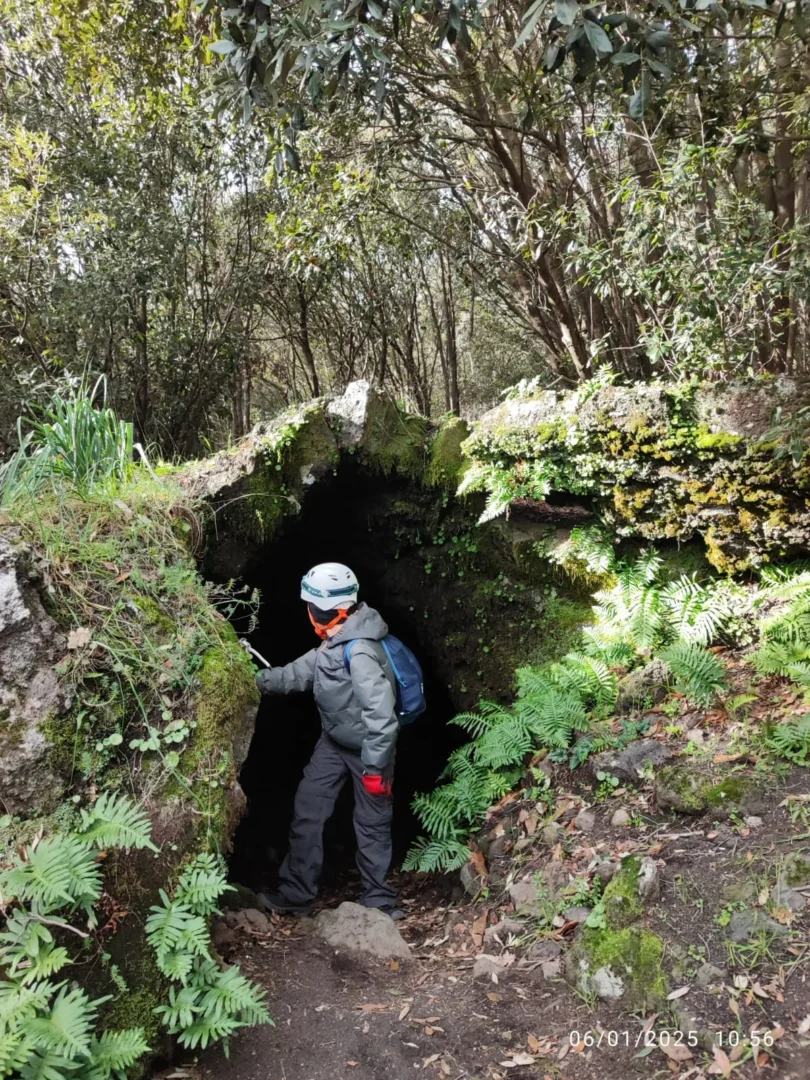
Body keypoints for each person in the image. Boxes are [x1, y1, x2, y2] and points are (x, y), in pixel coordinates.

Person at [254, 562, 403, 920]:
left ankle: (380, 903)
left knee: (371, 825)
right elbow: (294, 675)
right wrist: (251, 681)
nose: (307, 612)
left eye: (311, 606)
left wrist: (374, 768)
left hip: (370, 753)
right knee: (308, 810)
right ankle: (296, 894)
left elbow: (382, 720)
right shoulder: (332, 644)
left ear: (329, 610)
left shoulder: (361, 651)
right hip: (334, 744)